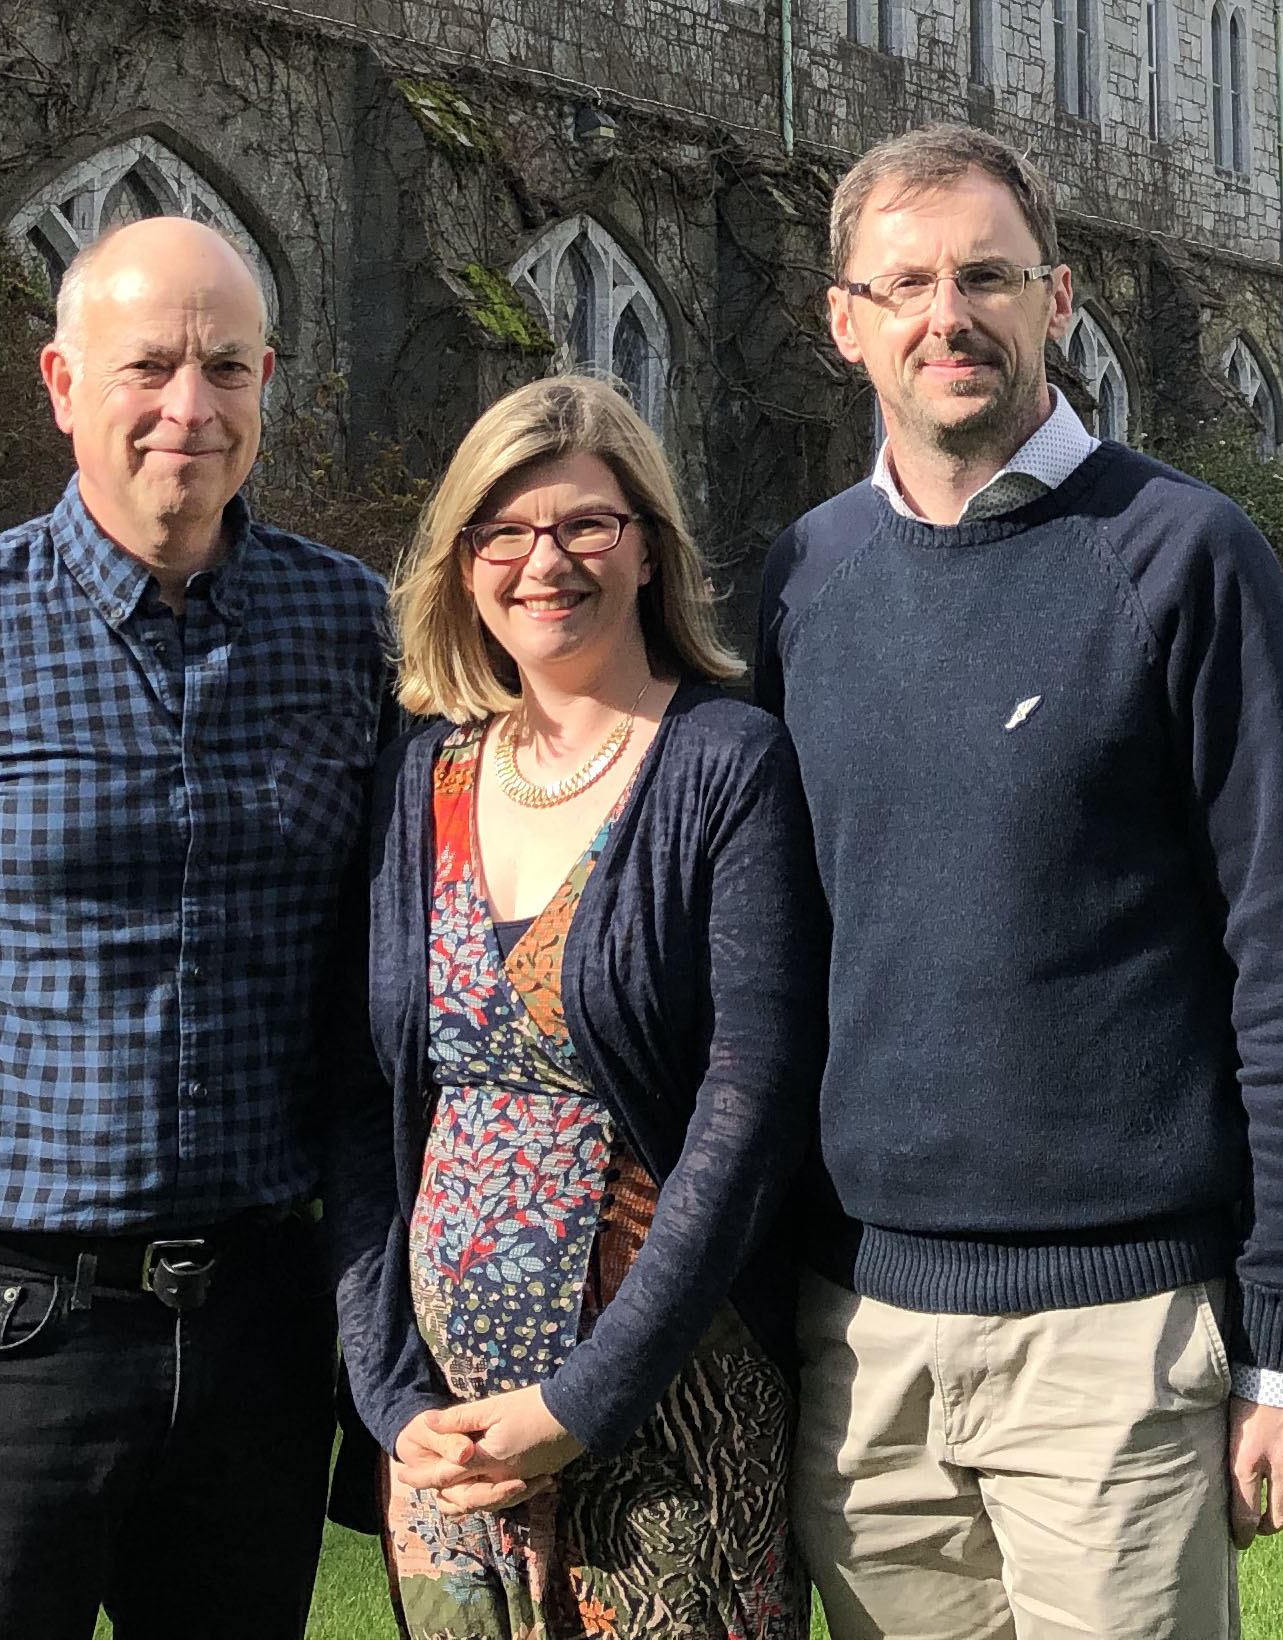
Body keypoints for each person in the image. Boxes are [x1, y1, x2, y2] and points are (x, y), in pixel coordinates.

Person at [751, 125, 1283, 1638]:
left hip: (1117, 1339)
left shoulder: (1183, 557)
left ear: (1059, 298)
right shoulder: (804, 577)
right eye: (903, 284)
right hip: (866, 1339)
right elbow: (771, 952)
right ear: (844, 321)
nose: (945, 316)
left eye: (987, 275)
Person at [0, 216, 395, 1640]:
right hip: (4, 1331)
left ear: (265, 384)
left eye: (226, 369)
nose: (191, 405)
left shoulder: (348, 628)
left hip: (257, 1318)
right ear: (63, 384)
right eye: (151, 367)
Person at [331, 375, 821, 1640]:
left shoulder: (724, 763)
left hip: (669, 1421)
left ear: (647, 544)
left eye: (585, 525)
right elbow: (365, 1100)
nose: (544, 561)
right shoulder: (422, 773)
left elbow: (747, 1105)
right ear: (463, 561)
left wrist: (580, 1398)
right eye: (505, 530)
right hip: (449, 1453)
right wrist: (391, 1397)